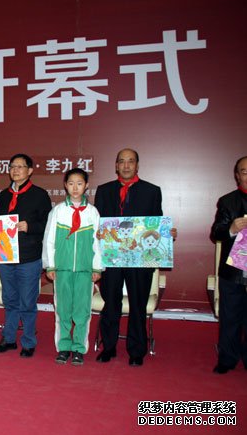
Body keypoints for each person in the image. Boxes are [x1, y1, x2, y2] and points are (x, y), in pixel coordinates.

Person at [94, 148, 175, 367]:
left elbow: (156, 222)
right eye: (122, 161)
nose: (126, 165)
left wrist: (166, 233)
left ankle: (137, 350)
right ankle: (108, 347)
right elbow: (98, 223)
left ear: (137, 165)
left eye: (131, 161)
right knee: (111, 303)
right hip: (112, 258)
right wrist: (98, 233)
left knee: (138, 304)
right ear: (116, 165)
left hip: (140, 260)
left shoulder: (152, 191)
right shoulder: (104, 190)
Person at [0, 154, 52, 358]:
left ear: (30, 170)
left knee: (27, 302)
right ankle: (9, 339)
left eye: (20, 166)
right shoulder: (3, 195)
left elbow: (48, 226)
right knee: (9, 300)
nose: (15, 170)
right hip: (6, 256)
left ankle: (28, 341)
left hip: (29, 257)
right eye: (12, 166)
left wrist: (30, 226)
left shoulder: (40, 195)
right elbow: (0, 223)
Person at [42, 168, 102, 366]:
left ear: (86, 186)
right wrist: (51, 265)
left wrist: (97, 268)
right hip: (63, 270)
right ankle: (64, 347)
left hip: (85, 271)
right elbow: (49, 240)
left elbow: (97, 243)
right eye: (71, 183)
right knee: (63, 310)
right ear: (65, 186)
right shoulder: (58, 211)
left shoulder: (92, 212)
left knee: (82, 311)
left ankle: (78, 348)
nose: (75, 187)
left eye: (79, 183)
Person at [210, 156, 247, 374]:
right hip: (233, 271)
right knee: (230, 316)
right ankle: (227, 358)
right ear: (237, 175)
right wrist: (232, 229)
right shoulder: (227, 201)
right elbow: (216, 233)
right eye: (244, 171)